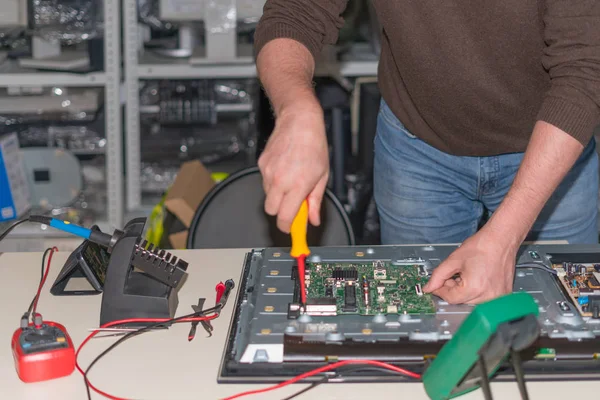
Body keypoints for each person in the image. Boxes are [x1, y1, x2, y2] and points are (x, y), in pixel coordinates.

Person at [252, 1, 600, 305]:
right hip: (417, 147)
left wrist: (505, 238)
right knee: (421, 321)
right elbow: (294, 12)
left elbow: (585, 70)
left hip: (551, 155)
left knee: (559, 342)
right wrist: (296, 111)